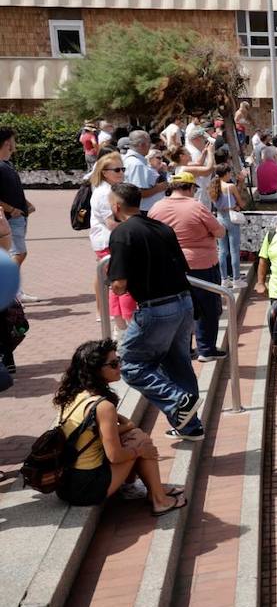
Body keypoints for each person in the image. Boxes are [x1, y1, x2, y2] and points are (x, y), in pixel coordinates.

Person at [105, 182, 204, 440]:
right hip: (183, 302)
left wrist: (111, 283)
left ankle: (178, 401)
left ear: (117, 206)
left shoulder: (122, 233)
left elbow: (119, 285)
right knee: (178, 363)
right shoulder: (162, 227)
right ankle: (190, 426)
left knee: (129, 363)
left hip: (157, 308)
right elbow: (182, 266)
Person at [51, 339, 185, 514]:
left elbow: (93, 435)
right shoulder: (102, 406)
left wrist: (128, 427)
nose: (119, 367)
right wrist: (140, 451)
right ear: (96, 370)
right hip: (87, 488)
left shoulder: (73, 395)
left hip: (66, 483)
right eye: (113, 364)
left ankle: (152, 490)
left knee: (134, 436)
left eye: (119, 361)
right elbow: (114, 456)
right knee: (140, 442)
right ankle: (159, 499)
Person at [150, 171, 227, 362]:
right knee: (207, 308)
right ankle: (206, 349)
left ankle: (184, 348)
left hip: (169, 265)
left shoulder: (156, 207)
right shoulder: (196, 207)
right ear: (190, 187)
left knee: (179, 307)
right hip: (200, 263)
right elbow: (219, 232)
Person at [88, 152, 136, 336]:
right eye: (117, 169)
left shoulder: (111, 189)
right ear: (104, 172)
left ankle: (122, 327)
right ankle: (127, 325)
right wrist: (135, 227)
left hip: (110, 242)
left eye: (123, 168)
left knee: (117, 286)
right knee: (124, 285)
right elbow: (111, 223)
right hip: (110, 242)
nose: (121, 172)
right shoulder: (103, 193)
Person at [0, 127, 36, 301]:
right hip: (9, 219)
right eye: (13, 140)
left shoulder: (6, 164)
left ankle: (15, 291)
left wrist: (25, 204)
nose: (15, 144)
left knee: (13, 254)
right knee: (18, 253)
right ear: (7, 142)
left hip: (17, 217)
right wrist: (11, 210)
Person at [211, 163, 245, 285]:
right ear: (226, 173)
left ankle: (224, 278)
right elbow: (241, 203)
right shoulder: (230, 186)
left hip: (219, 218)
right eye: (229, 173)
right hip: (231, 219)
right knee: (234, 250)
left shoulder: (213, 186)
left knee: (222, 251)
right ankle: (236, 278)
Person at [122, 130, 166, 212]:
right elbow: (139, 193)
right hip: (144, 210)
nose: (151, 146)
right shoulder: (136, 164)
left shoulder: (131, 160)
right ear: (142, 145)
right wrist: (160, 187)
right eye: (149, 143)